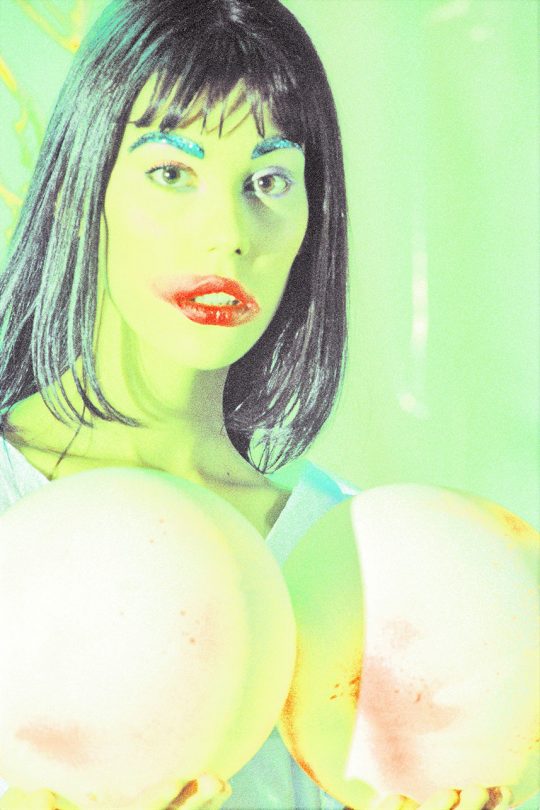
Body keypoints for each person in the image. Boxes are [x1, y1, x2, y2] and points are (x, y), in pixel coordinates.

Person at [0, 1, 512, 808]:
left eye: (268, 181)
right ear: (74, 189)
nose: (229, 232)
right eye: (172, 172)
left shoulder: (347, 560)